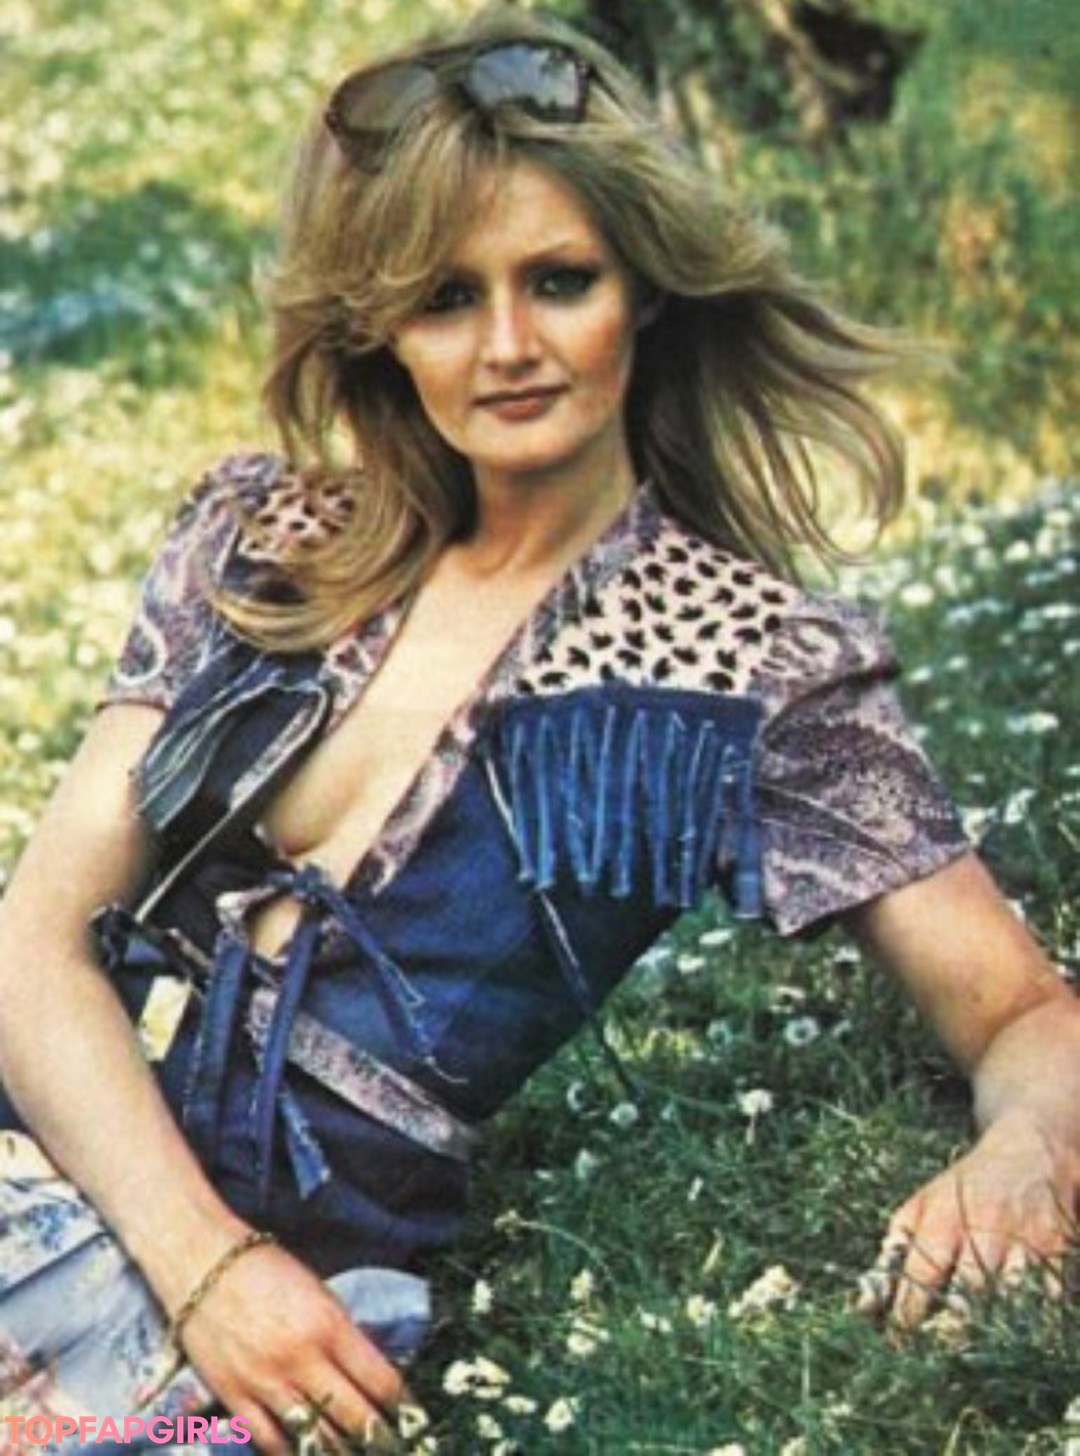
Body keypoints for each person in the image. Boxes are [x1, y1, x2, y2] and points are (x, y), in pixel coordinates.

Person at [1, 5, 1077, 1451]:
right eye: (447, 298)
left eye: (559, 281)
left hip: (242, 1339)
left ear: (647, 289)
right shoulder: (263, 538)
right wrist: (212, 1272)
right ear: (382, 326)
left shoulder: (745, 664)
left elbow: (1019, 1012)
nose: (507, 347)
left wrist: (1026, 1152)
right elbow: (33, 946)